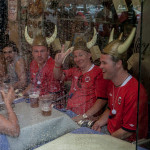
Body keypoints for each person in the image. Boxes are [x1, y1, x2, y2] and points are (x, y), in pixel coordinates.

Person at [92, 28, 148, 142]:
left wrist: (104, 141)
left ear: (118, 64)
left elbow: (127, 131)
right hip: (110, 133)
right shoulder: (112, 82)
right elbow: (110, 108)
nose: (100, 67)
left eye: (104, 63)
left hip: (127, 141)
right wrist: (99, 122)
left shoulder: (134, 91)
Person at [53, 32, 109, 122]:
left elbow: (102, 100)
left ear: (89, 55)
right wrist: (57, 64)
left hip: (85, 118)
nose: (77, 59)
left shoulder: (99, 72)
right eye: (75, 56)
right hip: (70, 113)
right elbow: (58, 77)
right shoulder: (75, 70)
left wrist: (83, 116)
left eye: (80, 55)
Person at [23, 25, 62, 100]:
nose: (39, 55)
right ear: (32, 53)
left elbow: (54, 96)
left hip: (50, 105)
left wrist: (35, 99)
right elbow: (32, 84)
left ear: (48, 52)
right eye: (36, 51)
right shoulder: (33, 63)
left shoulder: (53, 67)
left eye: (42, 51)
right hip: (36, 100)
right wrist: (21, 95)